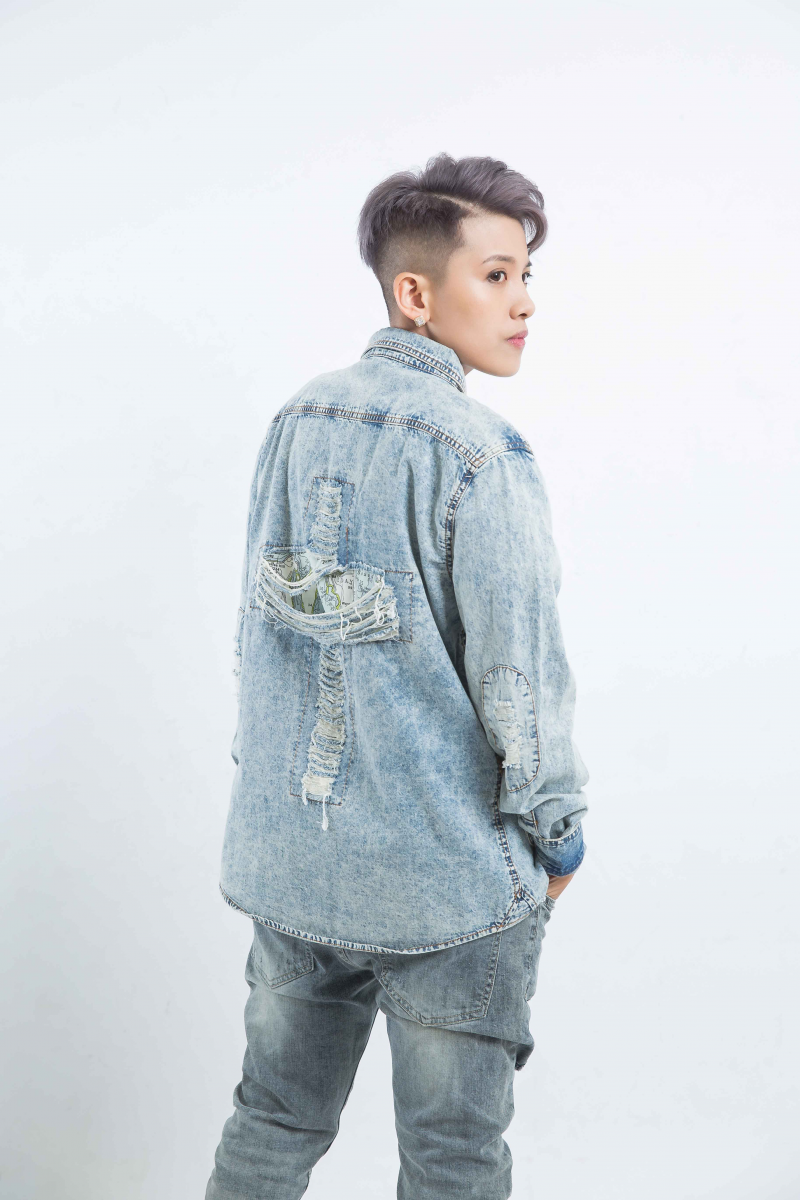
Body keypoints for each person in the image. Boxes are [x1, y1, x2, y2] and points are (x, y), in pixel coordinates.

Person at [205, 152, 589, 1200]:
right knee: (452, 1159)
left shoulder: (296, 418)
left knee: (272, 1119)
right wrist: (558, 833)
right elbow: (519, 684)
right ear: (414, 294)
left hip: (292, 863)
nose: (523, 303)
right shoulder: (481, 454)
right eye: (496, 276)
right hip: (445, 885)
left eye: (525, 276)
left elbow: (258, 635)